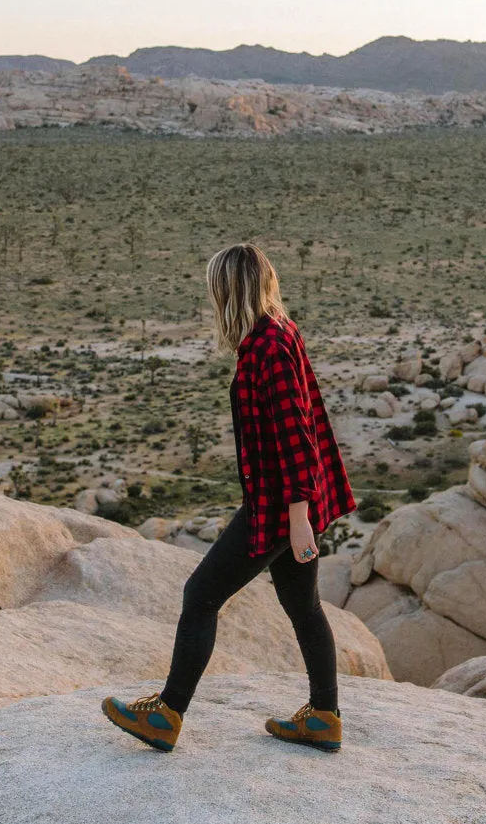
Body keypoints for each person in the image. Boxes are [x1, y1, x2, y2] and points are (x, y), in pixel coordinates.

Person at [102, 242, 357, 753]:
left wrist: (298, 519)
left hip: (279, 505)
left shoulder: (267, 346)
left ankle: (167, 714)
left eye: (215, 286)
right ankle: (323, 717)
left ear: (230, 289)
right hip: (285, 500)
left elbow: (297, 435)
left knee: (201, 595)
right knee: (302, 604)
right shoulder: (277, 332)